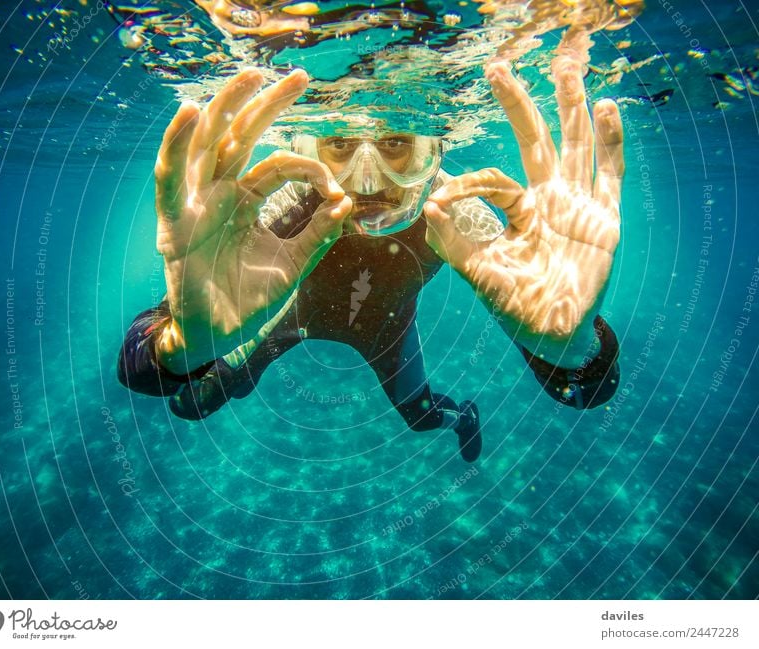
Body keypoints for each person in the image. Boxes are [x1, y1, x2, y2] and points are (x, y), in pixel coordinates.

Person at [117, 56, 624, 462]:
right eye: (339, 145)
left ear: (435, 150)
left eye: (396, 145)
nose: (368, 181)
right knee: (199, 399)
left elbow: (581, 392)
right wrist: (178, 350)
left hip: (389, 331)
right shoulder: (291, 200)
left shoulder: (451, 210)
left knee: (423, 417)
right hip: (285, 319)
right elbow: (138, 371)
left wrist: (574, 350)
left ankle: (461, 416)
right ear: (311, 151)